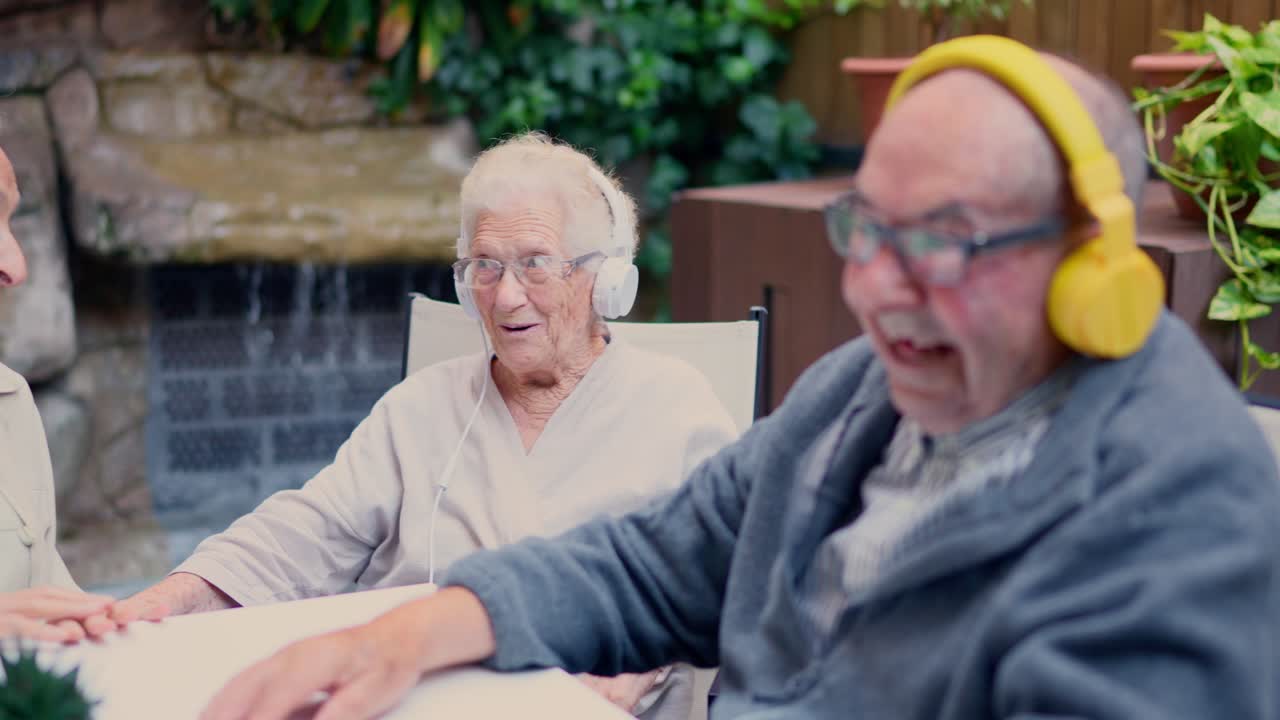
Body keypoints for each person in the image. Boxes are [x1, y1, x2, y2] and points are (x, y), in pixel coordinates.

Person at [200, 39, 1280, 720]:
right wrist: (397, 635)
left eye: (940, 241)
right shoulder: (854, 395)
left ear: (1087, 269)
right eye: (866, 229)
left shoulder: (1184, 506)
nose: (873, 292)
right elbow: (648, 564)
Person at [109, 132, 737, 718]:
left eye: (536, 263)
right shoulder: (423, 406)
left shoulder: (677, 411)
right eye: (485, 267)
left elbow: (712, 585)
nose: (506, 296)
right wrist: (163, 602)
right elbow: (304, 534)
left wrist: (623, 675)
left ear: (604, 280)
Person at [0, 145, 114, 642]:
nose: (15, 266)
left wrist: (102, 622)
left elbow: (42, 589)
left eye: (9, 220)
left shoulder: (11, 400)